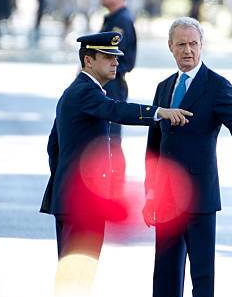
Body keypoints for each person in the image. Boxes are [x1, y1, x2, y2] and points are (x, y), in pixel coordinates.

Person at [144, 17, 232, 297]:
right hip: (165, 199)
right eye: (181, 45)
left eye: (194, 44)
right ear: (171, 48)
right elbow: (154, 146)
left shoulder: (216, 85)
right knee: (164, 276)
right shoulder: (164, 88)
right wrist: (149, 193)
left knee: (202, 278)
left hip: (199, 199)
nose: (188, 51)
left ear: (201, 46)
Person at [40, 32, 193, 259]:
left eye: (116, 57)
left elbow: (54, 147)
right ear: (88, 60)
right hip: (80, 204)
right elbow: (117, 110)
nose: (115, 62)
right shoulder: (85, 92)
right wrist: (160, 112)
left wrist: (65, 181)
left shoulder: (77, 91)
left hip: (72, 200)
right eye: (107, 57)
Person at [95, 0, 138, 191]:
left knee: (110, 139)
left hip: (111, 85)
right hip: (103, 84)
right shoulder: (112, 18)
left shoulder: (121, 21)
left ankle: (113, 190)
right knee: (102, 139)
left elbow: (122, 60)